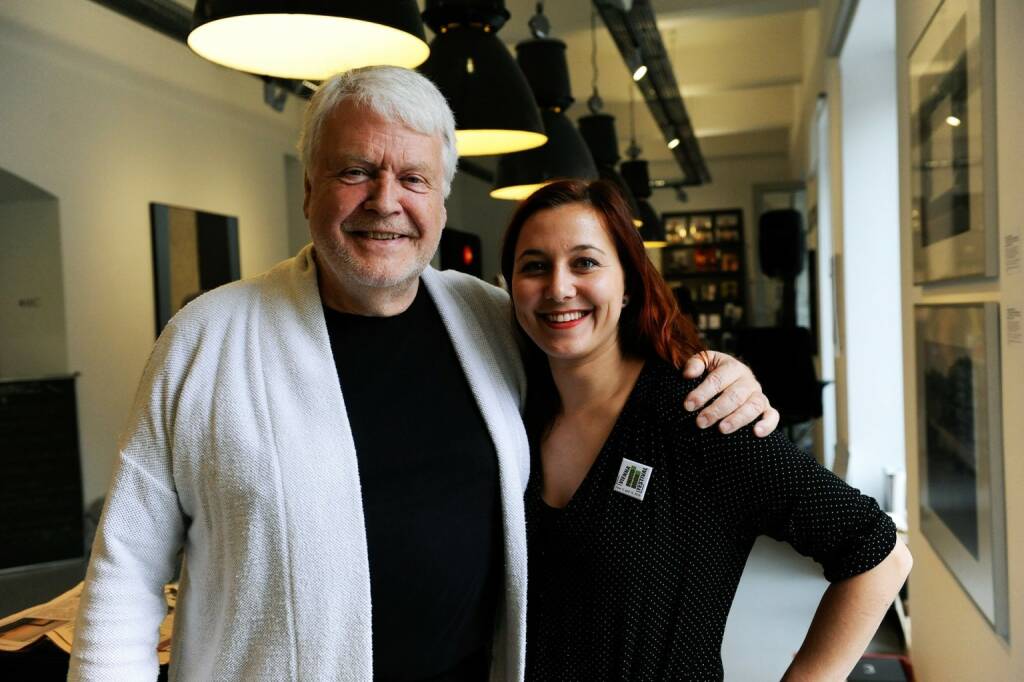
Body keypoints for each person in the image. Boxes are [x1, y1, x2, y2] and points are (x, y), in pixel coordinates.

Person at [69, 67, 777, 681]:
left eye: (413, 178)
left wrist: (711, 370)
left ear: (440, 203)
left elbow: (601, 359)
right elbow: (126, 570)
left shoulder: (491, 320)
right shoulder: (209, 339)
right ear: (310, 186)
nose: (385, 201)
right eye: (355, 171)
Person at [499, 179, 913, 681]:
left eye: (585, 262)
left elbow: (879, 553)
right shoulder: (514, 415)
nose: (559, 287)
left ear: (628, 283)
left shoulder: (701, 413)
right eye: (535, 266)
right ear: (509, 286)